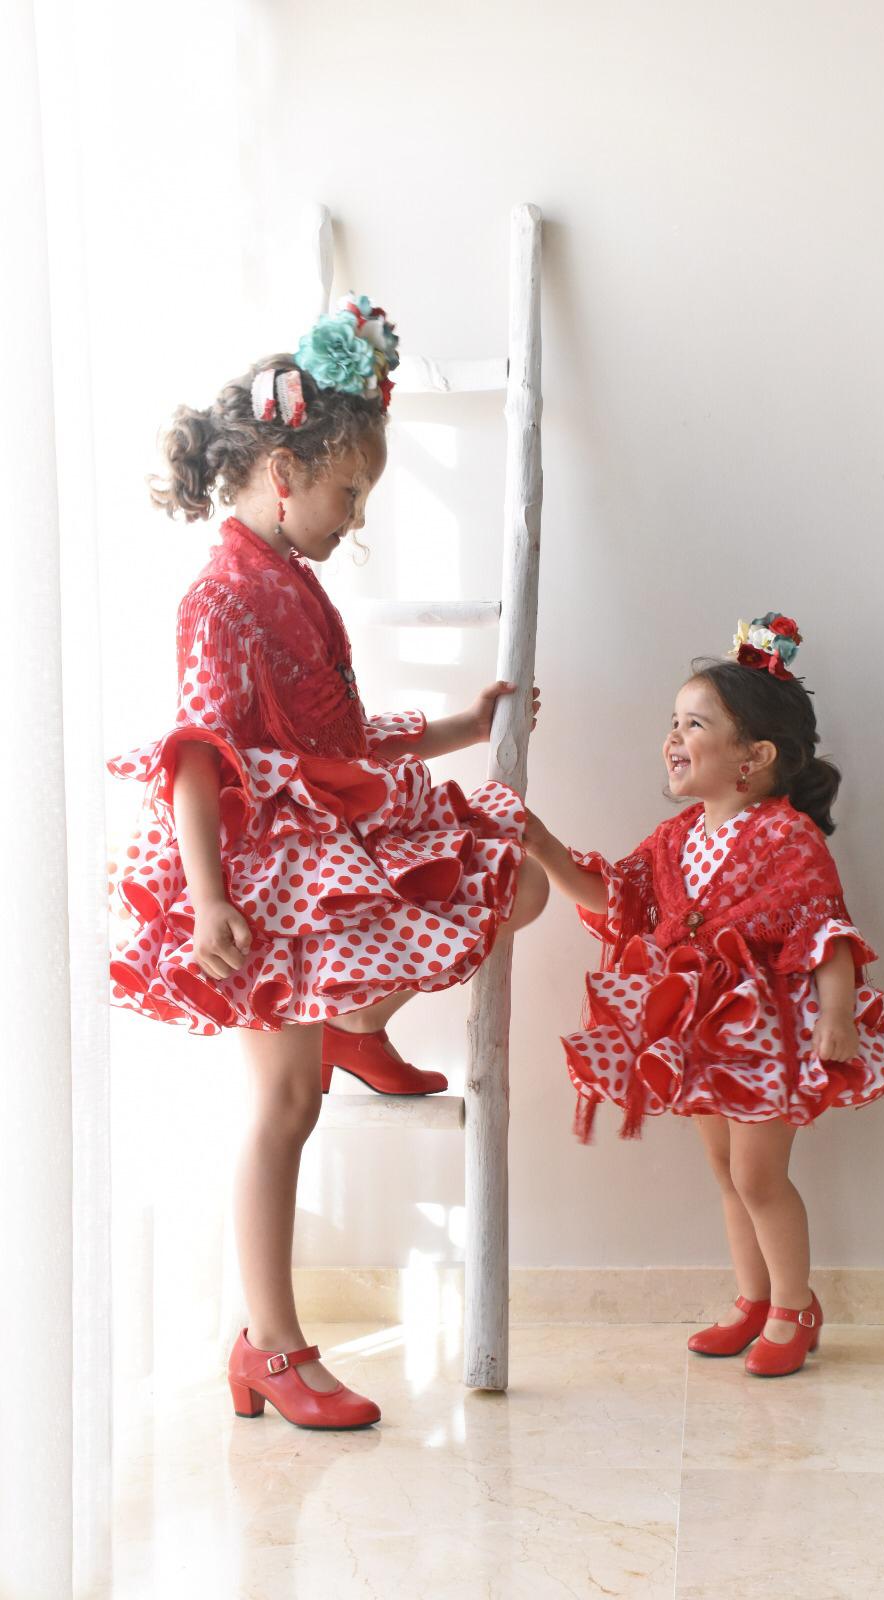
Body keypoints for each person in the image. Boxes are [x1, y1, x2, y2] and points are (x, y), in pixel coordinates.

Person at [109, 294, 547, 1427]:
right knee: (282, 1107)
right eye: (350, 494)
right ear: (284, 469)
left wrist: (456, 726)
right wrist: (207, 899)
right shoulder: (218, 595)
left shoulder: (293, 582)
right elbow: (199, 758)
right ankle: (270, 1342)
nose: (356, 519)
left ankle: (360, 1026)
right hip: (260, 873)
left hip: (320, 844)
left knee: (512, 874)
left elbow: (336, 735)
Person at [524, 613, 884, 1378]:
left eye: (693, 724)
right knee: (726, 1174)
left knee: (761, 1176)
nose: (672, 736)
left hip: (764, 1039)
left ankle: (795, 1306)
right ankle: (754, 1301)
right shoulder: (674, 840)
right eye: (673, 721)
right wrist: (541, 844)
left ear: (753, 757)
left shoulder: (787, 836)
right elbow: (612, 897)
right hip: (698, 1033)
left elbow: (822, 928)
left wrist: (837, 1015)